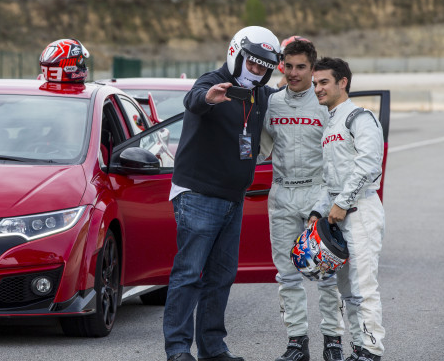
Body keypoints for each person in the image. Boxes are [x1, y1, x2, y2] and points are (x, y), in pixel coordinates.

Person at [163, 26, 281, 361]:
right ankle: (177, 351)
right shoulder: (211, 81)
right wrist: (206, 98)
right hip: (199, 195)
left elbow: (290, 102)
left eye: (264, 67)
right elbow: (194, 100)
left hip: (233, 197)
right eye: (252, 64)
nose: (256, 71)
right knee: (188, 274)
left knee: (221, 277)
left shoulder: (261, 96)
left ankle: (213, 349)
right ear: (236, 54)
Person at [257, 39, 345, 361]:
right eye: (288, 66)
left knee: (326, 274)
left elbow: (340, 158)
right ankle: (297, 342)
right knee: (287, 275)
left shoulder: (325, 104)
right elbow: (258, 150)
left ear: (313, 67)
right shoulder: (272, 103)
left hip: (316, 194)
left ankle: (333, 340)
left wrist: (326, 203)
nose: (294, 73)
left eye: (301, 67)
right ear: (282, 66)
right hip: (281, 195)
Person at [309, 57, 386, 361]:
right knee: (348, 292)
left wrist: (342, 203)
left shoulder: (360, 117)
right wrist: (319, 211)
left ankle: (371, 350)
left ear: (342, 82)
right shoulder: (331, 123)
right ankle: (358, 347)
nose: (317, 88)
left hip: (362, 212)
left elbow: (369, 166)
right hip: (337, 218)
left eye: (323, 82)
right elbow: (329, 179)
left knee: (364, 287)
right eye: (315, 83)